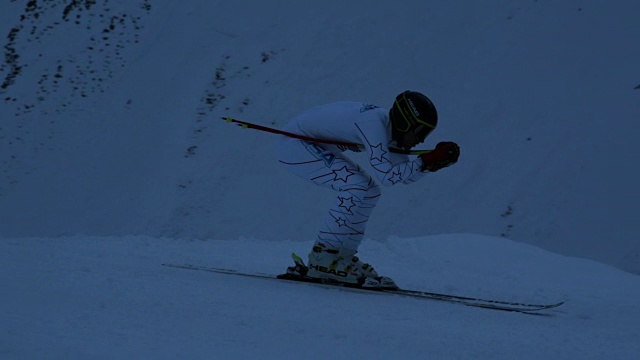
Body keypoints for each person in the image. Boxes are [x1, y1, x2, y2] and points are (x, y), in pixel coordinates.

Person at [275, 90, 460, 288]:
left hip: (313, 144)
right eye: (421, 131)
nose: (422, 140)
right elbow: (388, 176)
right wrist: (425, 160)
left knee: (370, 191)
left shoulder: (390, 131)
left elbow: (402, 175)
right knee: (354, 185)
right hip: (295, 144)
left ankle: (342, 257)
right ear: (405, 122)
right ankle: (323, 258)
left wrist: (430, 165)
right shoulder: (373, 124)